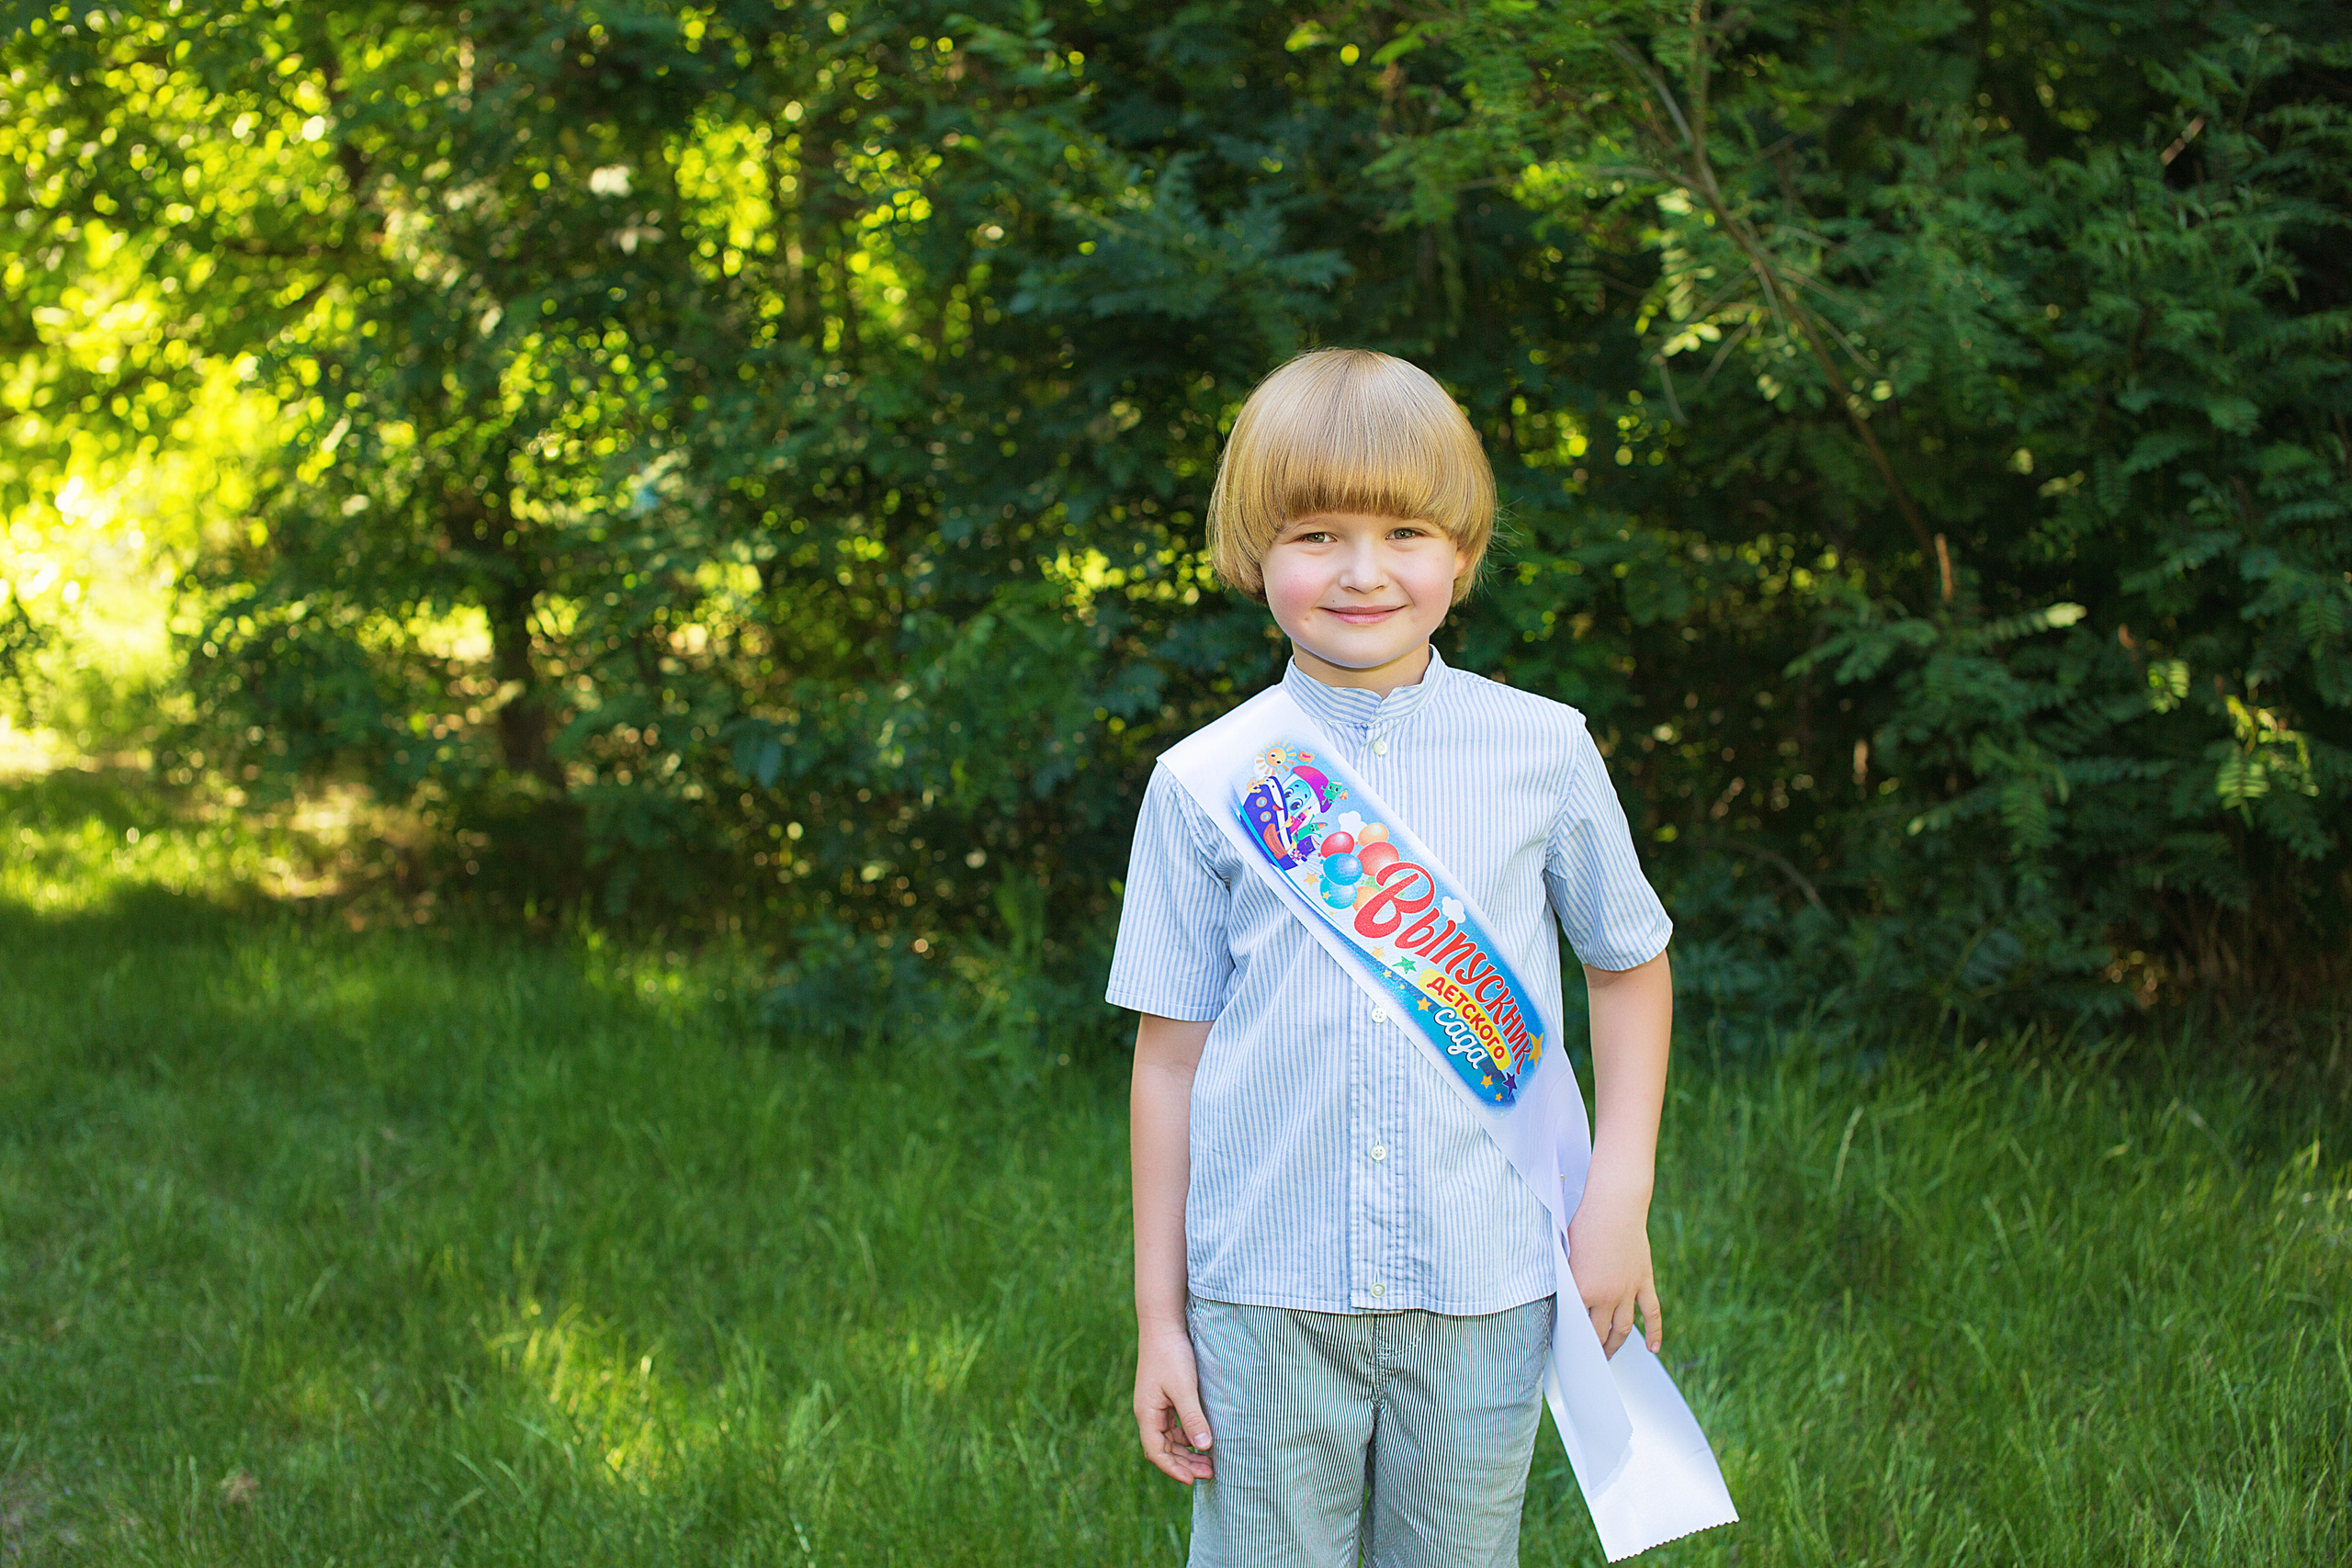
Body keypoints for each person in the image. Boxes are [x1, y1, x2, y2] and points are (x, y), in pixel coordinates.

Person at [1106, 347, 1680, 1565]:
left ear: (1462, 554)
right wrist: (1163, 1321)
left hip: (1483, 1282)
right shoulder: (1210, 784)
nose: (1363, 572)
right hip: (1264, 1294)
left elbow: (1629, 965)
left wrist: (1617, 1194)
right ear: (1254, 552)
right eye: (1316, 534)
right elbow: (1166, 1066)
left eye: (1406, 532)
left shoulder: (1542, 750)